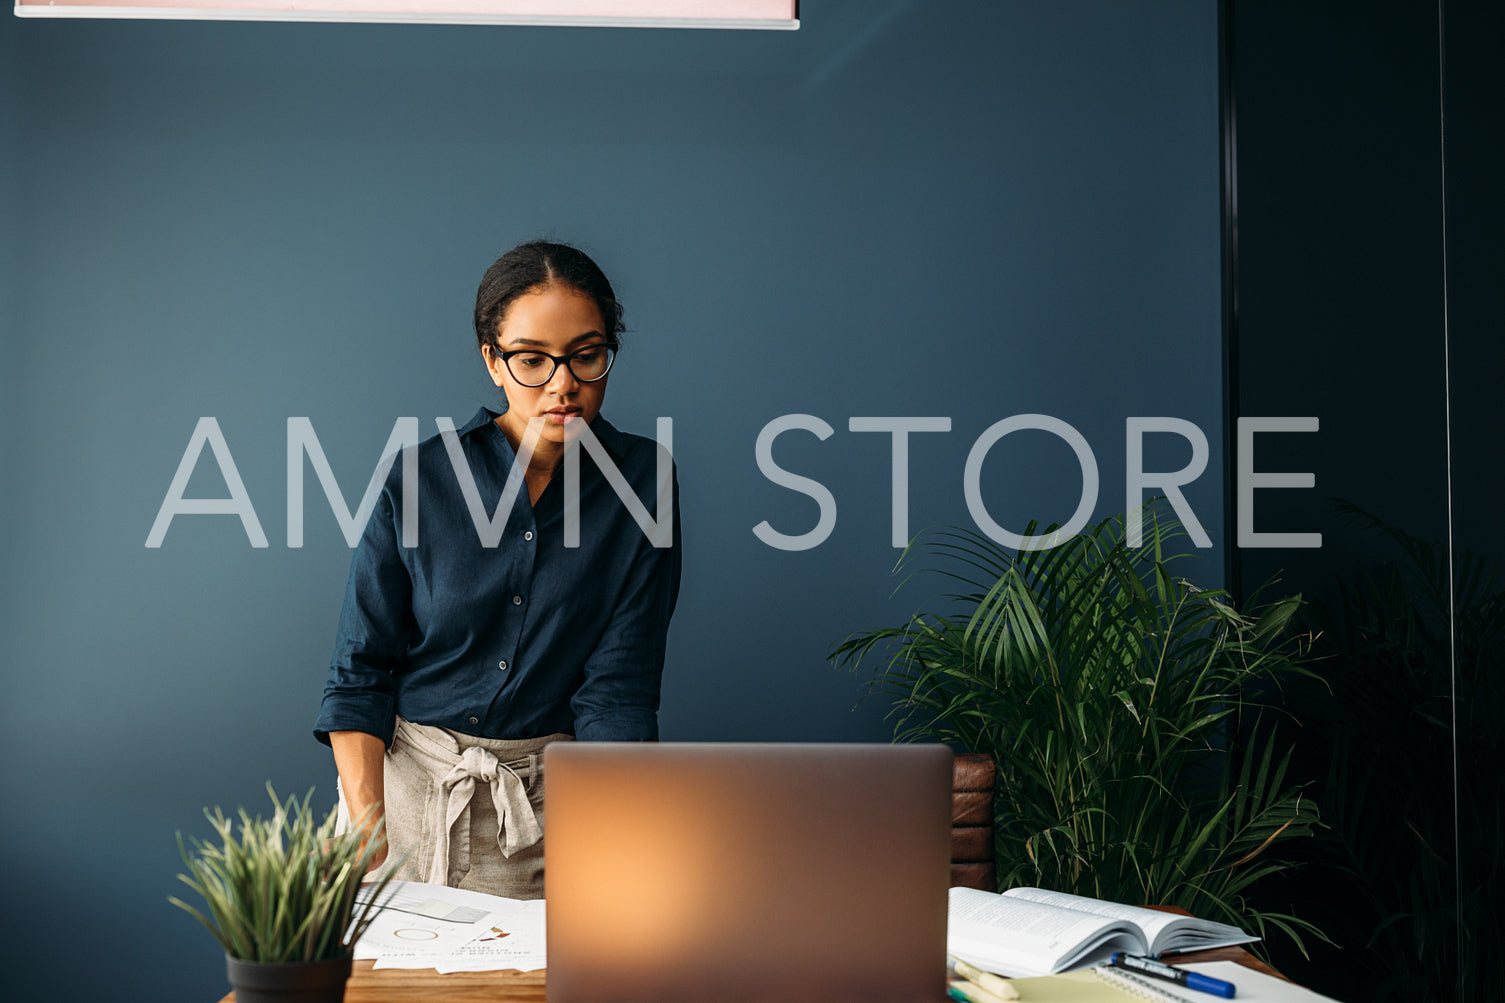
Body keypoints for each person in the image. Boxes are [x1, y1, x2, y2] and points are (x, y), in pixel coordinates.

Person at [313, 240, 681, 898]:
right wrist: (368, 828)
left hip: (546, 813)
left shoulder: (643, 482)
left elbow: (617, 692)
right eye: (532, 360)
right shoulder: (418, 477)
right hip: (394, 803)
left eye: (585, 355)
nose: (563, 382)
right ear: (493, 361)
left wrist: (619, 833)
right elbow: (359, 670)